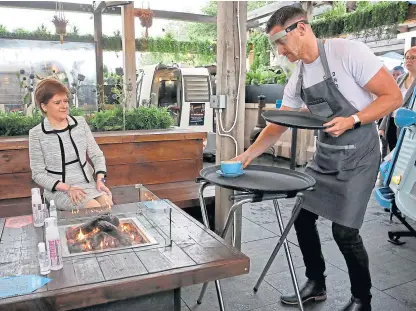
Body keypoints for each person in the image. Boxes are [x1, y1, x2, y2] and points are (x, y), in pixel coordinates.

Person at [234, 6, 402, 311]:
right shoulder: (297, 77)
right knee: (302, 217)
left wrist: (353, 120)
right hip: (326, 156)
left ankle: (362, 299)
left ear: (300, 28)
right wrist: (247, 155)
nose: (280, 51)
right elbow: (277, 125)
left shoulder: (347, 52)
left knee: (344, 232)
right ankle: (316, 283)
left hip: (360, 156)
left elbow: (393, 97)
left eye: (280, 42)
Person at [29, 78, 113, 210]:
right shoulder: (36, 134)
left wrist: (100, 180)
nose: (64, 106)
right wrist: (68, 188)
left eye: (66, 101)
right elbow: (38, 174)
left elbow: (97, 155)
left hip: (88, 184)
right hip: (59, 189)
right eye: (57, 102)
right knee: (94, 209)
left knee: (107, 205)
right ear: (44, 106)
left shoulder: (80, 123)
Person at [379, 48, 416, 157]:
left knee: (402, 159)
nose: (409, 60)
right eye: (407, 57)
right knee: (389, 158)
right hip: (391, 122)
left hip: (409, 127)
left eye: (413, 58)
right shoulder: (400, 78)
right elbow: (391, 102)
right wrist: (382, 126)